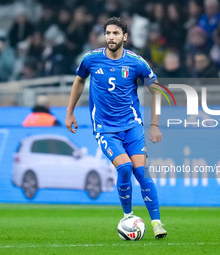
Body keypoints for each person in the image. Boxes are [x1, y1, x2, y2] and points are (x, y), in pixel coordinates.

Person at [65, 17, 167, 239]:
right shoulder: (91, 60)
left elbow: (157, 89)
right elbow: (79, 81)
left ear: (125, 37)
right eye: (108, 33)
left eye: (116, 33)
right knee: (124, 168)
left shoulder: (136, 62)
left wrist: (155, 124)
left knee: (140, 171)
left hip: (131, 126)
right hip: (105, 128)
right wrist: (69, 112)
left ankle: (157, 222)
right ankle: (128, 216)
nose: (111, 37)